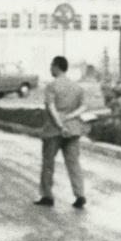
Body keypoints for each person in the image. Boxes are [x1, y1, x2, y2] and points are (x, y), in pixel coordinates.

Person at [34, 55, 88, 209]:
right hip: (74, 129)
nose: (50, 68)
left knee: (48, 163)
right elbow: (84, 107)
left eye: (51, 65)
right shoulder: (77, 87)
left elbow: (51, 108)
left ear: (57, 66)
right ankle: (80, 195)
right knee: (74, 163)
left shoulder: (52, 86)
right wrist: (71, 116)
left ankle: (47, 195)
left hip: (54, 130)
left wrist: (60, 125)